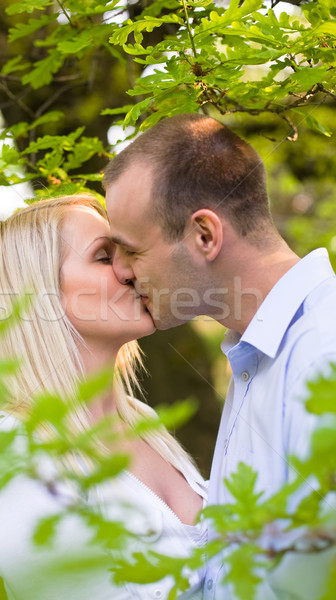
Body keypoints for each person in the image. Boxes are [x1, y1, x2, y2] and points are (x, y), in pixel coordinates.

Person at [103, 113, 336, 599]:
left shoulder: (322, 354)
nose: (122, 273)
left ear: (204, 236)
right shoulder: (256, 359)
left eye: (130, 251)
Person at [0, 194, 208, 600]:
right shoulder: (11, 449)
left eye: (125, 251)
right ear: (37, 296)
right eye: (104, 257)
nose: (129, 268)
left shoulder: (143, 421)